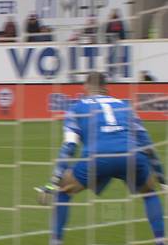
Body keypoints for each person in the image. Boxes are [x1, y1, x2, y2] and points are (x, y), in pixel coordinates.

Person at [35, 72, 166, 245]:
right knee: (150, 193)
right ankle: (161, 241)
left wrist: (52, 182)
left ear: (85, 87)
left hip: (97, 158)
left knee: (63, 191)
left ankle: (55, 241)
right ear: (107, 88)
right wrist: (162, 179)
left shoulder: (76, 108)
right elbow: (147, 145)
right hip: (131, 155)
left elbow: (70, 146)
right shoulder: (125, 106)